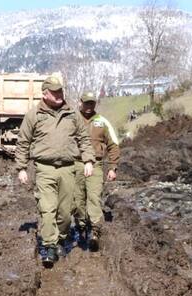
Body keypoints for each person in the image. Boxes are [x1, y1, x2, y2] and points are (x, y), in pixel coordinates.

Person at [15, 75, 95, 266]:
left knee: (65, 213)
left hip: (68, 169)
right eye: (55, 92)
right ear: (45, 94)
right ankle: (50, 247)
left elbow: (84, 139)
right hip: (45, 169)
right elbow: (23, 142)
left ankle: (61, 238)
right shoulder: (34, 115)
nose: (59, 94)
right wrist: (21, 168)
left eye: (60, 91)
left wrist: (88, 160)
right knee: (48, 209)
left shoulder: (72, 114)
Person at [72, 91, 120, 251]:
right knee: (77, 200)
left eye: (92, 103)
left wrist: (113, 167)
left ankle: (95, 231)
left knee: (94, 197)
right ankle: (81, 225)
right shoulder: (72, 120)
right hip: (75, 164)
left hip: (96, 165)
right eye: (86, 103)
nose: (89, 106)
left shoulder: (102, 122)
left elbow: (113, 144)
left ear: (95, 103)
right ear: (81, 103)